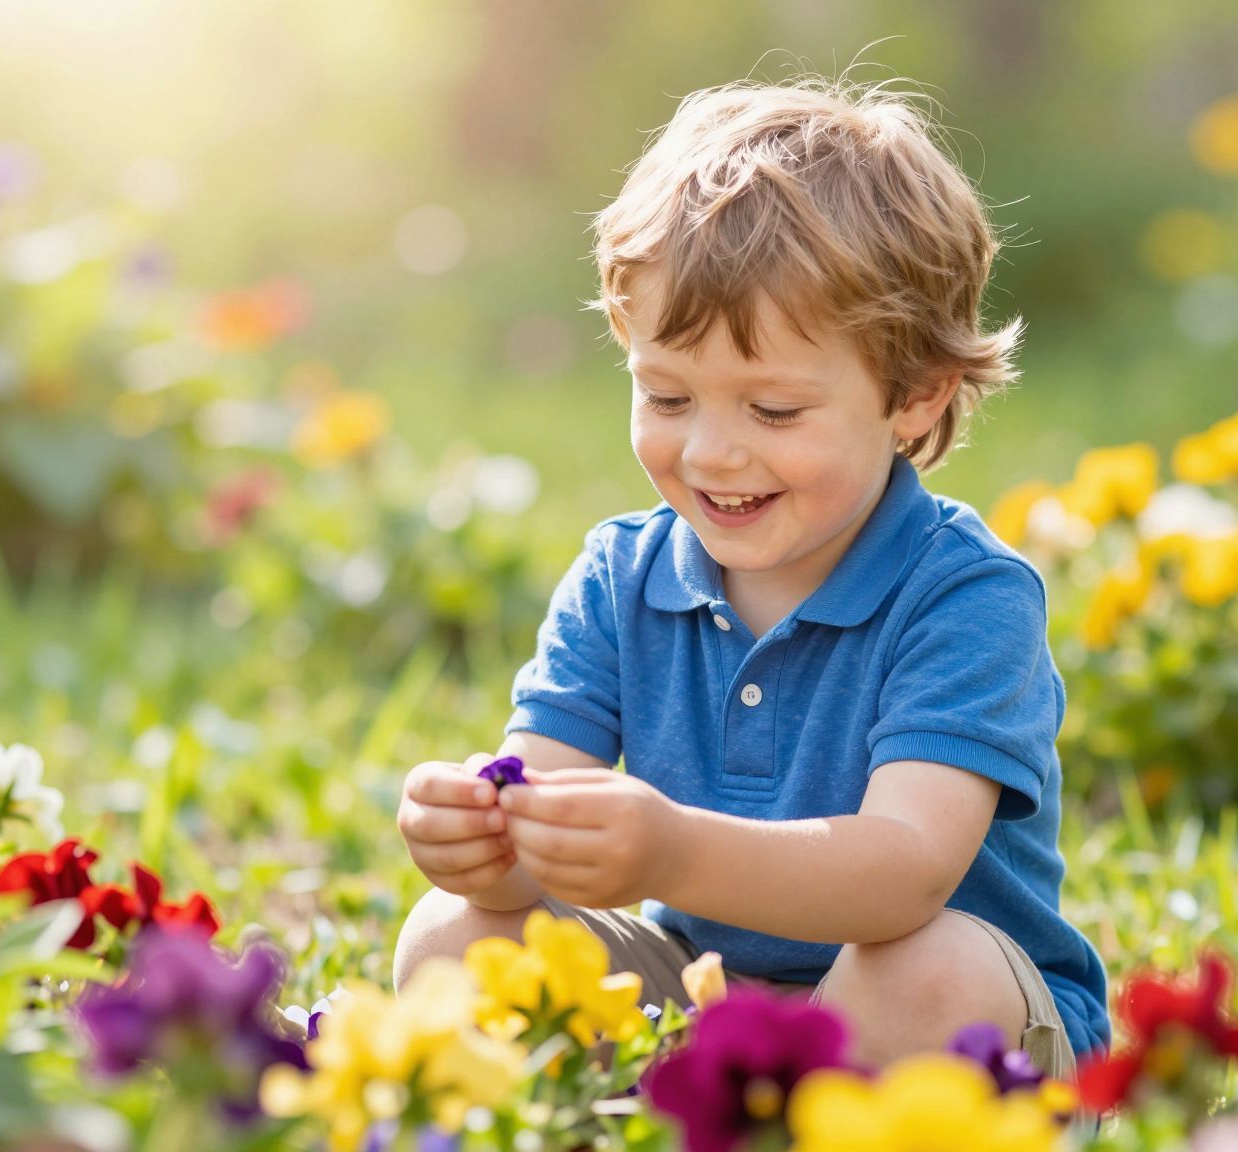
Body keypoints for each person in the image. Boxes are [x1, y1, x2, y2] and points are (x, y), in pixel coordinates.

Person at [392, 72, 1109, 1074]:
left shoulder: (964, 595)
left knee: (925, 973)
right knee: (450, 940)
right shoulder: (619, 577)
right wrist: (483, 842)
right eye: (666, 395)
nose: (711, 454)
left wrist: (670, 851)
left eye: (771, 411)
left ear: (913, 395)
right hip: (703, 993)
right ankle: (680, 1116)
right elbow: (542, 824)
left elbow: (900, 877)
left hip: (936, 1014)